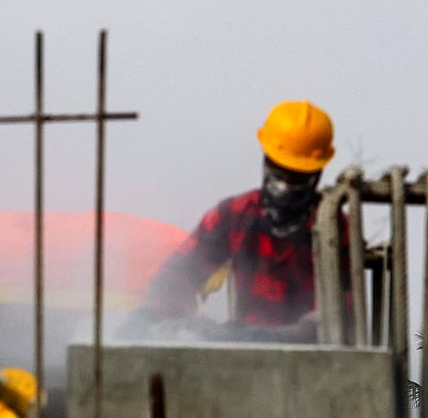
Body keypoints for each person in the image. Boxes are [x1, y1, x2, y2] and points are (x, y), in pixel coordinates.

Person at [123, 100, 346, 343]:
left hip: (310, 367)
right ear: (266, 161)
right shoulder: (234, 215)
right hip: (243, 361)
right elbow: (180, 273)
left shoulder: (333, 229)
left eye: (298, 175)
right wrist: (151, 316)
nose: (286, 185)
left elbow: (335, 316)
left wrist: (266, 338)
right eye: (280, 171)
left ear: (317, 173)